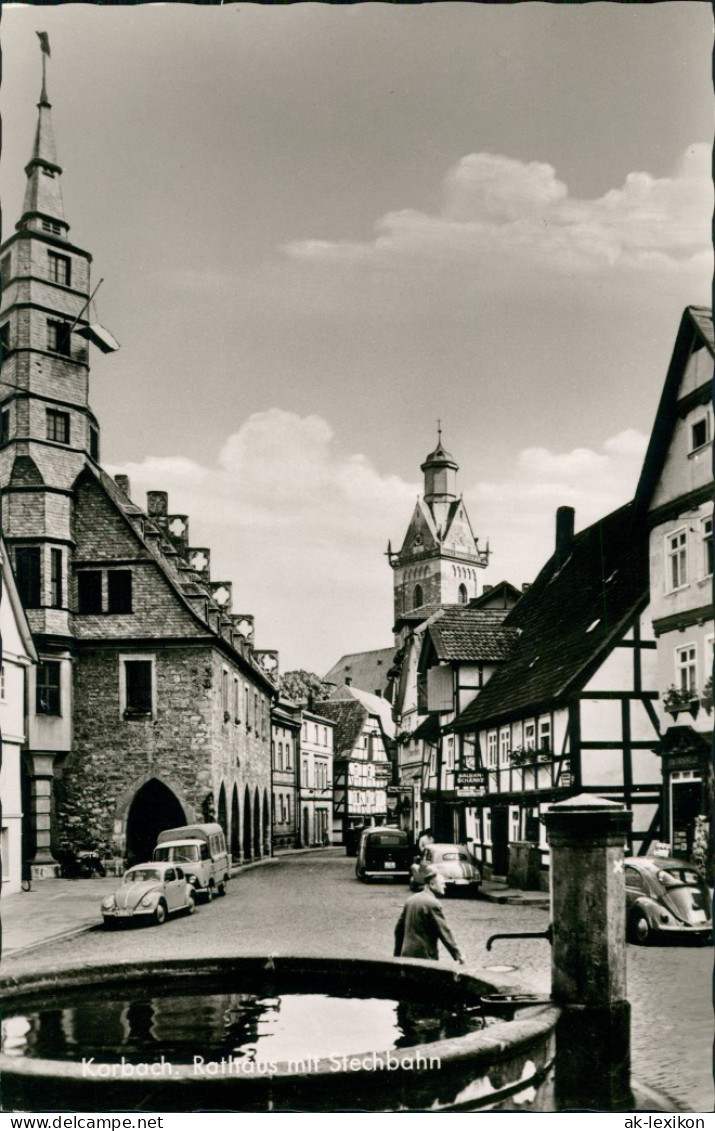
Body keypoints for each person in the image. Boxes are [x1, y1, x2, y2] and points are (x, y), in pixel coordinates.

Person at [394, 865, 465, 964]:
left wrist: (397, 955)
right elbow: (444, 932)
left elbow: (398, 930)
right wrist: (458, 955)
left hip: (406, 955)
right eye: (442, 883)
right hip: (425, 957)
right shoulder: (433, 904)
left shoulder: (410, 900)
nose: (445, 886)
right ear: (432, 884)